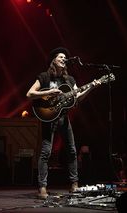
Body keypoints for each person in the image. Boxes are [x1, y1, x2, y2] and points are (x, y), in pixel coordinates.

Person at [26, 47, 100, 199]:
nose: (63, 59)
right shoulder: (45, 76)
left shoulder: (69, 80)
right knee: (46, 153)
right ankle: (42, 188)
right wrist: (47, 92)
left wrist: (91, 86)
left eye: (64, 57)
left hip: (63, 118)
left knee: (72, 151)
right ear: (54, 59)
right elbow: (29, 94)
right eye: (60, 57)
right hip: (48, 118)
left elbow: (77, 97)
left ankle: (74, 185)